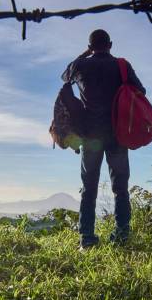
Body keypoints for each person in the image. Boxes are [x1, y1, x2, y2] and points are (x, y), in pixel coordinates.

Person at [61, 29, 146, 249]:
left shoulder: (80, 66)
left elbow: (64, 76)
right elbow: (140, 91)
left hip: (90, 136)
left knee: (89, 187)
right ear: (110, 44)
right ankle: (122, 235)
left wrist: (84, 54)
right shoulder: (122, 66)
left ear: (90, 46)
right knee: (120, 187)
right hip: (118, 134)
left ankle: (87, 239)